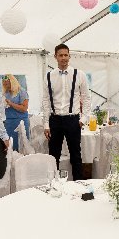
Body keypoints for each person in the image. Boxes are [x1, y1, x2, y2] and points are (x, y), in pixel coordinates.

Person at [41, 44, 90, 180]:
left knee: (76, 156)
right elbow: (46, 101)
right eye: (60, 55)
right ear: (55, 57)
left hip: (73, 120)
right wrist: (46, 124)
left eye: (66, 55)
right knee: (53, 156)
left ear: (69, 56)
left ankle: (78, 185)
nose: (63, 58)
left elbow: (86, 98)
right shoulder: (49, 76)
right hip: (55, 120)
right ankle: (53, 184)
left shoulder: (79, 74)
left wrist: (84, 119)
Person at [2, 74, 29, 151]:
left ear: (12, 82)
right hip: (8, 123)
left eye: (7, 83)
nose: (6, 86)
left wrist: (11, 104)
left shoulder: (22, 92)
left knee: (21, 146)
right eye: (4, 84)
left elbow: (24, 108)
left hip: (20, 122)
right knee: (10, 147)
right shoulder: (5, 94)